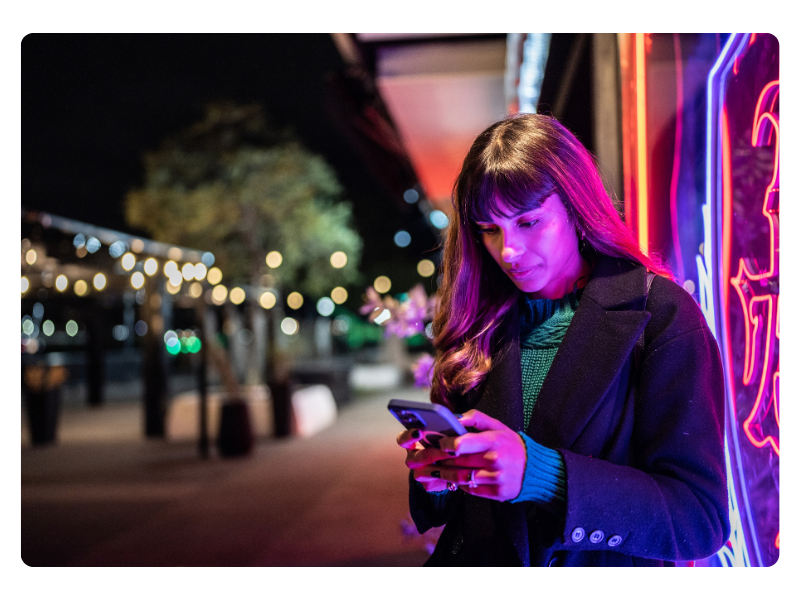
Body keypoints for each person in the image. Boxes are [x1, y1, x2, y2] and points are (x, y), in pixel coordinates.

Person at [397, 114, 730, 567]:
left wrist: (542, 474)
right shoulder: (481, 320)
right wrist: (442, 473)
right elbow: (464, 512)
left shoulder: (660, 315)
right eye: (489, 230)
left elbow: (700, 519)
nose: (508, 251)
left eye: (529, 222)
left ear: (576, 208)